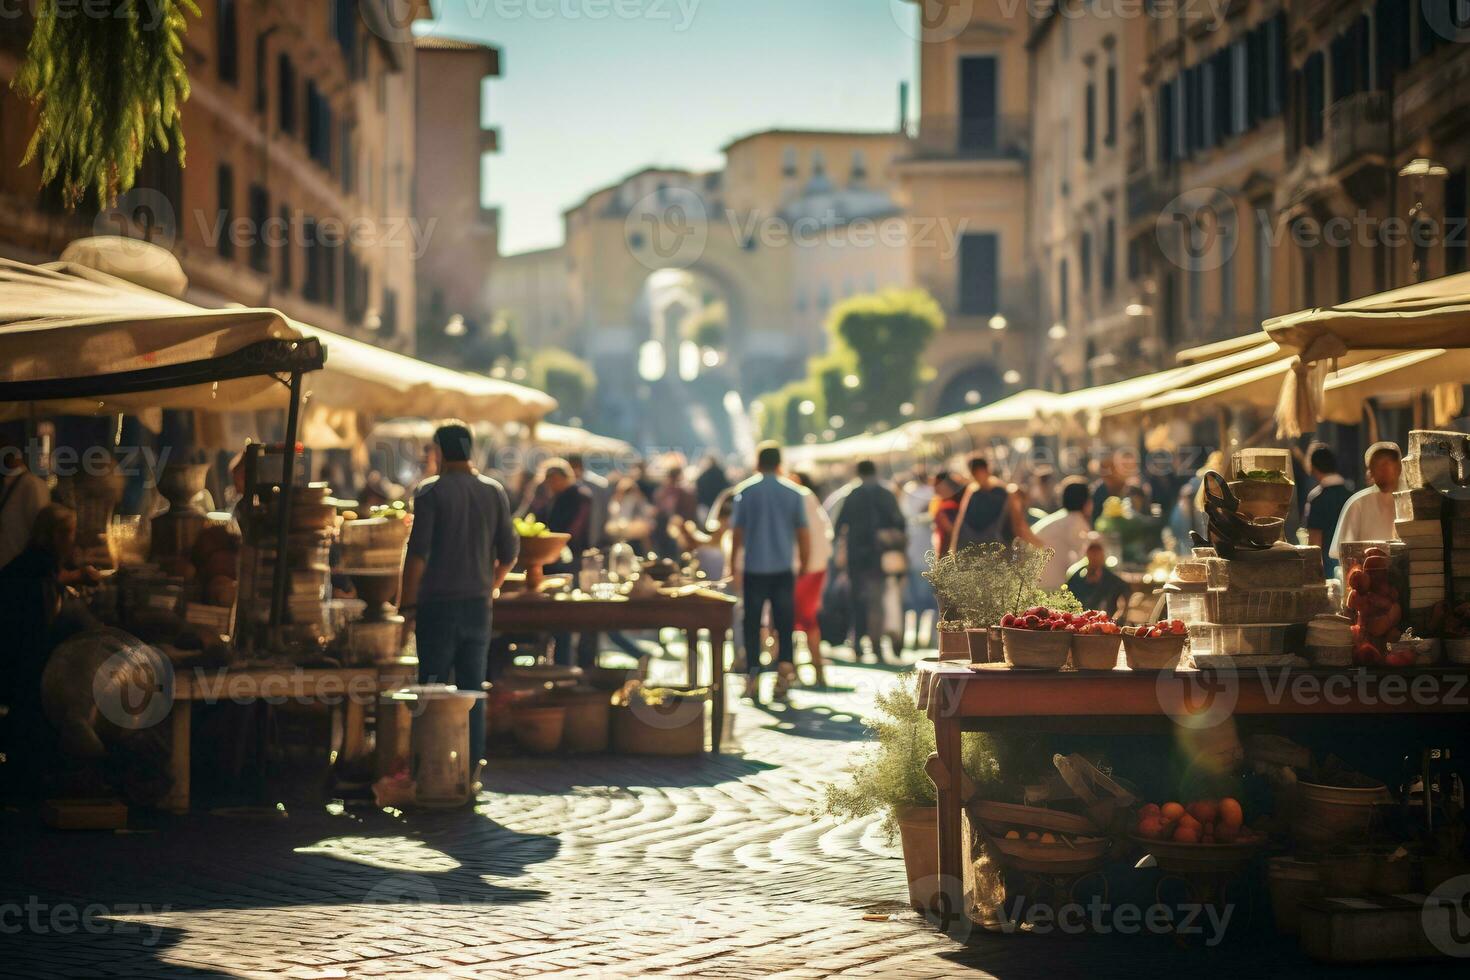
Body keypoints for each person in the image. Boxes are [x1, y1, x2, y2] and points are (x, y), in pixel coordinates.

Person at [400, 422, 519, 776]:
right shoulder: (493, 491)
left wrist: (405, 605)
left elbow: (417, 555)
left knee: (432, 686)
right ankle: (470, 769)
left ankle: (431, 767)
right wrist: (490, 585)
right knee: (473, 688)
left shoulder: (429, 493)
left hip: (437, 606)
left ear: (439, 450)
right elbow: (510, 552)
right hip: (477, 606)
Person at [0, 504, 101, 792]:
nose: (74, 540)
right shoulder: (37, 576)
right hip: (18, 667)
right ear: (56, 536)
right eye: (70, 533)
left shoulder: (31, 564)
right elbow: (34, 636)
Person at [729, 442, 811, 702]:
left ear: (757, 462)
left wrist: (734, 565)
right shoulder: (793, 492)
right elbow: (802, 532)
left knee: (752, 624)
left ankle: (752, 679)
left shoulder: (745, 491)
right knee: (784, 624)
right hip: (783, 569)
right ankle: (783, 677)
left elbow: (737, 533)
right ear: (779, 463)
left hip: (754, 568)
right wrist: (804, 563)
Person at [834, 459, 905, 661]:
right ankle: (876, 645)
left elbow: (839, 525)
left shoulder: (853, 494)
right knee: (878, 600)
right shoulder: (886, 494)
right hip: (880, 555)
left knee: (857, 599)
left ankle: (857, 644)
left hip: (856, 555)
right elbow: (900, 523)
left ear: (858, 473)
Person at [792, 471, 834, 687]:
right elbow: (826, 531)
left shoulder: (796, 497)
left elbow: (803, 534)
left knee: (790, 619)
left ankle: (790, 671)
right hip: (815, 566)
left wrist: (802, 564)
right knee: (807, 619)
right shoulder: (808, 496)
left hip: (800, 568)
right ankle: (815, 671)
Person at [952, 455, 1045, 551]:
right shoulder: (1004, 493)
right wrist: (1041, 545)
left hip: (975, 553)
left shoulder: (972, 492)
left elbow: (959, 526)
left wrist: (954, 551)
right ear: (988, 469)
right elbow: (1018, 526)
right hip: (999, 553)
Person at [1329, 441, 1402, 562]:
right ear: (1370, 471)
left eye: (1386, 463)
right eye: (1375, 465)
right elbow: (1344, 552)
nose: (1382, 470)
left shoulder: (1410, 501)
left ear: (1398, 468)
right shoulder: (1357, 504)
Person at [1033, 477, 1095, 590]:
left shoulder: (1060, 518)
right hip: (1049, 586)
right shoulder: (1076, 521)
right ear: (1086, 502)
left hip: (1033, 583)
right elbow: (1087, 557)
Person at [1303, 443, 1353, 576]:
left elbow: (1315, 543)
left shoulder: (1317, 499)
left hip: (1328, 572)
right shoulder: (1351, 494)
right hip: (1352, 568)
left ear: (1313, 468)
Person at [0, 444, 51, 571]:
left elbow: (42, 533)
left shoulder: (30, 485)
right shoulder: (30, 485)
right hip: (16, 573)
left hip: (18, 574)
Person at [1066, 537, 1130, 621]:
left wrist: (1115, 620)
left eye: (1097, 551)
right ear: (1087, 554)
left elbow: (1124, 605)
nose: (1094, 556)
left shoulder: (1116, 583)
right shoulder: (1076, 580)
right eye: (1092, 551)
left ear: (1103, 554)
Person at [568, 454, 611, 551]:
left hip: (591, 535)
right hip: (580, 537)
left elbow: (603, 513)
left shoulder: (596, 485)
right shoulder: (599, 483)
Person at [931, 473, 964, 558]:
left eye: (937, 484)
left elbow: (953, 532)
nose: (935, 490)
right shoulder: (942, 503)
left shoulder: (948, 506)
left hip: (952, 554)